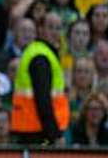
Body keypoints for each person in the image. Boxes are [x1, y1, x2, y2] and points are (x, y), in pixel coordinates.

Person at [11, 12, 70, 145]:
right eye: (50, 27)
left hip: (33, 128)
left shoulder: (39, 52)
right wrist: (54, 134)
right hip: (38, 132)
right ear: (40, 29)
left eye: (58, 28)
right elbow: (43, 98)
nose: (55, 32)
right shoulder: (40, 56)